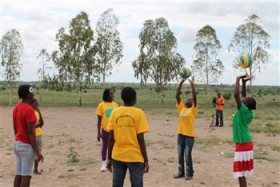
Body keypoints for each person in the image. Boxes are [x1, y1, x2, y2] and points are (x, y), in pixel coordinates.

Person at [107, 87, 149, 187]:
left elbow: (111, 138)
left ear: (122, 98)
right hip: (135, 157)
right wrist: (146, 160)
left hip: (117, 155)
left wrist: (109, 158)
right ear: (134, 98)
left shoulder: (115, 112)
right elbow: (140, 139)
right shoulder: (139, 113)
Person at [13, 85, 44, 187]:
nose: (33, 93)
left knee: (19, 174)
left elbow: (15, 127)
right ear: (27, 94)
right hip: (26, 146)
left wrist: (18, 139)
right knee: (26, 176)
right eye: (31, 91)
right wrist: (37, 152)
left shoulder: (17, 107)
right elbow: (30, 132)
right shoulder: (29, 110)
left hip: (17, 143)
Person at [233, 74, 256, 187]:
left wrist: (237, 79)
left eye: (245, 100)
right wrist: (244, 83)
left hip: (243, 144)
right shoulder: (249, 112)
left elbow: (236, 95)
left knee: (240, 173)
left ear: (245, 104)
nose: (244, 98)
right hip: (247, 143)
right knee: (241, 173)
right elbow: (242, 95)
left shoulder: (242, 110)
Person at [174, 76, 197, 180]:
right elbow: (177, 95)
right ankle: (180, 172)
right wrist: (181, 82)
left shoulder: (193, 109)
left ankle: (189, 173)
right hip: (180, 134)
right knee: (180, 155)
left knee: (187, 155)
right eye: (188, 98)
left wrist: (192, 85)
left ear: (193, 103)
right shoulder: (182, 107)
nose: (189, 99)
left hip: (189, 136)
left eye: (190, 99)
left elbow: (195, 97)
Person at [96, 88, 118, 172]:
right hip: (105, 130)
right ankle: (103, 164)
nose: (112, 95)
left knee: (113, 147)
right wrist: (98, 133)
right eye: (110, 94)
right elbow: (99, 120)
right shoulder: (101, 105)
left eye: (113, 94)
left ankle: (111, 163)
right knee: (105, 146)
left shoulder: (115, 105)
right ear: (106, 95)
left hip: (114, 130)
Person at [29, 98, 44, 175]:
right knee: (37, 152)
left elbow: (41, 122)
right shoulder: (34, 112)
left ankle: (34, 169)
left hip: (35, 133)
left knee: (34, 152)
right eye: (35, 103)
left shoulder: (35, 111)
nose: (37, 104)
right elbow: (41, 123)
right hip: (36, 134)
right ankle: (35, 169)